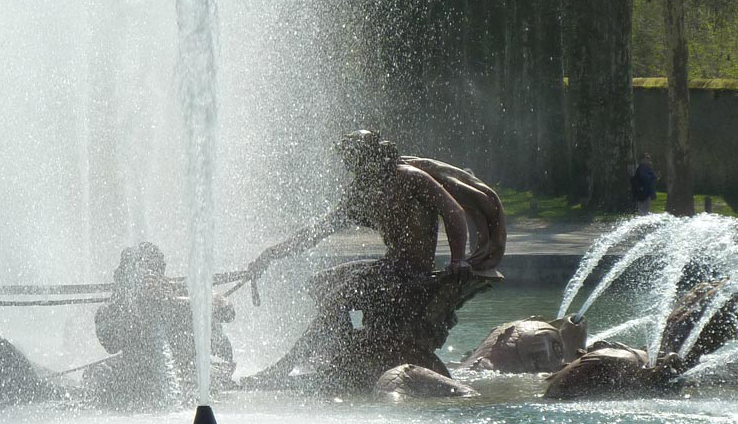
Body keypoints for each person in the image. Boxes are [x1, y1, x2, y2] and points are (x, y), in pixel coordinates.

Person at [246, 130, 502, 389]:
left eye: (353, 159)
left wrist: (457, 260)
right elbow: (317, 232)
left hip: (413, 271)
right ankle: (346, 353)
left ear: (370, 155)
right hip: (391, 266)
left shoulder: (410, 178)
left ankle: (283, 368)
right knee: (319, 282)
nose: (350, 166)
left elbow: (453, 211)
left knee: (339, 297)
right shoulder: (361, 192)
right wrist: (271, 254)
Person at [84, 242, 235, 408]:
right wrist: (132, 308)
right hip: (141, 369)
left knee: (195, 385)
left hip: (190, 366)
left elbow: (227, 311)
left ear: (159, 272)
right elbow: (110, 343)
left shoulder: (181, 291)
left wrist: (171, 302)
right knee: (96, 374)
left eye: (148, 270)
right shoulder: (116, 307)